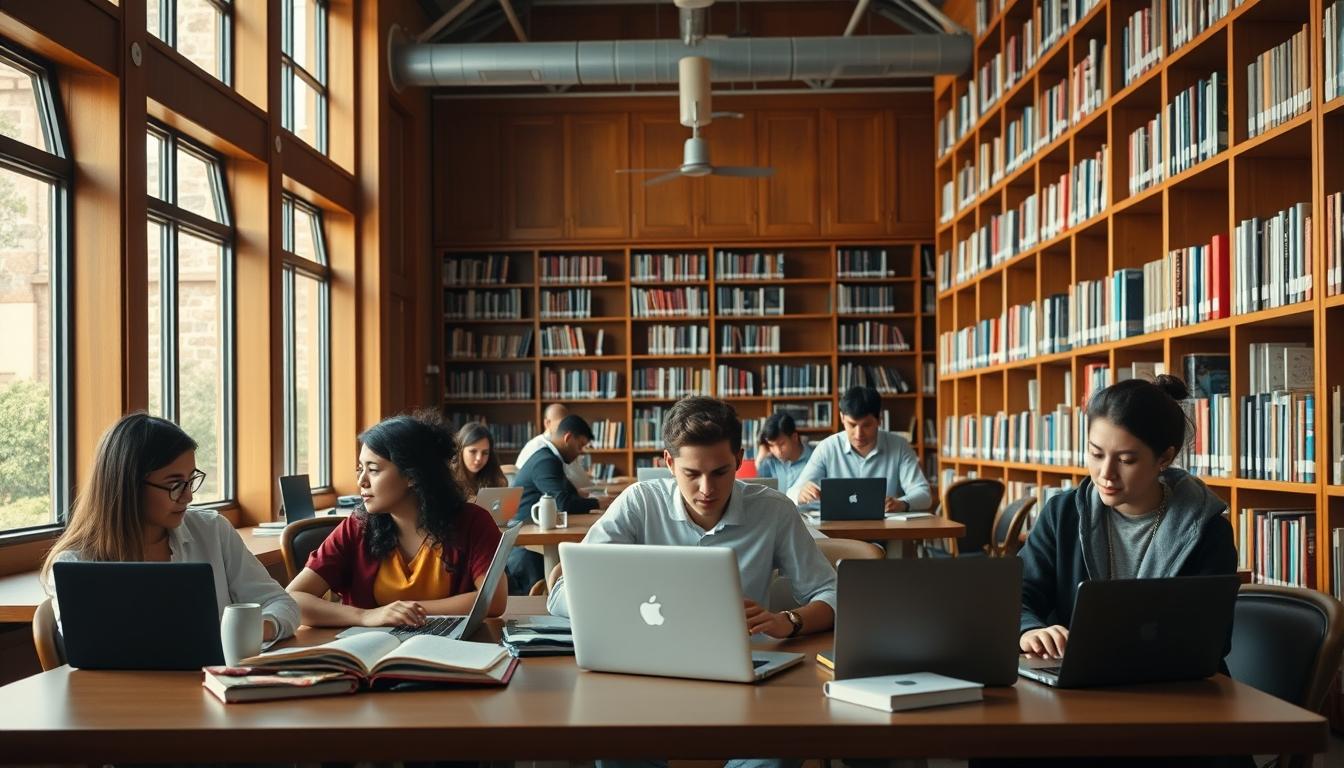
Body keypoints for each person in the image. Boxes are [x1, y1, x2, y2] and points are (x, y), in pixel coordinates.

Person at [548, 396, 836, 637]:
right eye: (692, 474)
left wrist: (789, 621)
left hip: (744, 660)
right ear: (670, 463)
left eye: (720, 472)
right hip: (645, 657)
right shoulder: (640, 503)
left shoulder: (774, 510)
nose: (707, 489)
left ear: (738, 459)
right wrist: (621, 604)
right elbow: (561, 595)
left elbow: (832, 594)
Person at [1018, 375, 1238, 660]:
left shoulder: (1207, 531)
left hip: (1175, 688)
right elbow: (1015, 595)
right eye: (1096, 454)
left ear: (1164, 459)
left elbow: (1213, 638)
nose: (1105, 473)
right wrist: (1030, 630)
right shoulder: (1062, 515)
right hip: (1077, 683)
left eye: (1125, 460)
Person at [41, 413, 298, 644]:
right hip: (125, 694)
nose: (188, 497)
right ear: (129, 487)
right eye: (175, 485)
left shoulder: (212, 531)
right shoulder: (75, 564)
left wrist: (257, 629)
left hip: (215, 685)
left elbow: (282, 603)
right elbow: (89, 652)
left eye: (191, 481)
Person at [286, 411, 506, 627]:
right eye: (360, 469)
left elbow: (494, 600)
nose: (362, 481)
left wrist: (406, 611)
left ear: (411, 475)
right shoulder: (357, 527)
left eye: (373, 470)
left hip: (450, 651)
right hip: (371, 653)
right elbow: (293, 598)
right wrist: (366, 616)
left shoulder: (472, 522)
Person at [787, 385, 932, 513]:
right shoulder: (827, 447)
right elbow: (791, 493)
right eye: (852, 425)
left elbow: (924, 494)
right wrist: (800, 494)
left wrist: (903, 503)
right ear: (842, 418)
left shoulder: (899, 446)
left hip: (884, 531)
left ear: (879, 420)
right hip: (837, 532)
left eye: (867, 425)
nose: (859, 434)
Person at [507, 413, 600, 594]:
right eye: (580, 445)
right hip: (525, 545)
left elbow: (569, 494)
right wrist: (596, 503)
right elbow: (563, 503)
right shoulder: (546, 461)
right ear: (568, 438)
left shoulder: (550, 457)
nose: (580, 452)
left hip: (537, 534)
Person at [515, 402, 593, 492]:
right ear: (547, 423)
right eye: (562, 422)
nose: (567, 426)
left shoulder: (563, 449)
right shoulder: (540, 448)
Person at [754, 412, 815, 494]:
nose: (777, 452)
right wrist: (759, 462)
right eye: (771, 445)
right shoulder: (768, 464)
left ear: (794, 437)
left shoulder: (815, 458)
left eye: (781, 444)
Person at [452, 421, 507, 499]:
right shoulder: (448, 480)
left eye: (485, 453)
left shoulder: (495, 478)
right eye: (473, 451)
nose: (479, 458)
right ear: (460, 450)